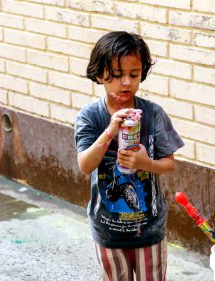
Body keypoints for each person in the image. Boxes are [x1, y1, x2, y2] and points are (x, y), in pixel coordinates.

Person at [74, 31, 184, 281]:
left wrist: (146, 163)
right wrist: (111, 130)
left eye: (134, 75)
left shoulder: (153, 113)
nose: (126, 82)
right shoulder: (90, 116)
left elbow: (169, 164)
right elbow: (84, 165)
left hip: (148, 228)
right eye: (116, 75)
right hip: (107, 229)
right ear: (100, 73)